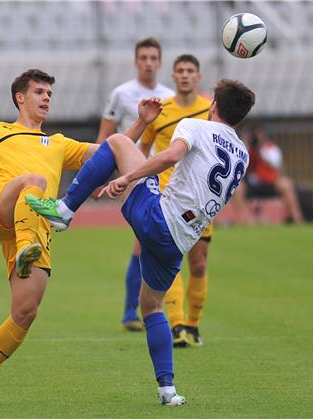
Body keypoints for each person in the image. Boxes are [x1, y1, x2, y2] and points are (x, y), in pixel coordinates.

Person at [0, 70, 161, 406]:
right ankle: (25, 245)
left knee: (25, 312)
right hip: (1, 208)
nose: (46, 98)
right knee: (33, 180)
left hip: (36, 227)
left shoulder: (58, 143)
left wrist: (140, 122)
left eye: (50, 93)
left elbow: (111, 152)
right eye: (39, 91)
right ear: (20, 97)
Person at [26, 78, 255, 406]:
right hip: (181, 242)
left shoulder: (196, 125)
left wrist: (127, 177)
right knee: (151, 306)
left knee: (119, 141)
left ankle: (64, 209)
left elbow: (169, 157)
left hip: (160, 218)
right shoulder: (243, 155)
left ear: (213, 106)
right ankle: (167, 390)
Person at [97, 37, 174, 332]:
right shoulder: (121, 94)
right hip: (136, 174)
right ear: (135, 61)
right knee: (142, 241)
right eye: (143, 57)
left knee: (151, 242)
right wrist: (98, 173)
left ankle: (144, 306)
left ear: (160, 62)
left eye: (154, 58)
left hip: (167, 175)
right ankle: (136, 309)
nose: (149, 63)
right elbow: (105, 136)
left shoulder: (169, 97)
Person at [139, 54, 212, 348]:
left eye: (190, 71)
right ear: (173, 76)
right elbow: (144, 148)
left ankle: (192, 326)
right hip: (166, 198)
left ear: (198, 77)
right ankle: (176, 324)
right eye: (180, 71)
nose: (184, 75)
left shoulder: (209, 109)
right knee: (171, 262)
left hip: (199, 198)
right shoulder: (161, 110)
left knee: (199, 264)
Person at [232, 126, 304, 225]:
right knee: (237, 188)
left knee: (286, 184)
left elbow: (276, 164)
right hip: (251, 184)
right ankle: (244, 218)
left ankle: (296, 218)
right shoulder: (244, 148)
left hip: (269, 183)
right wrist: (246, 144)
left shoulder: (271, 148)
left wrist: (260, 150)